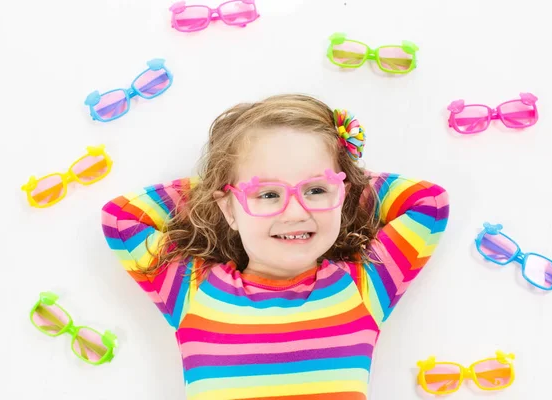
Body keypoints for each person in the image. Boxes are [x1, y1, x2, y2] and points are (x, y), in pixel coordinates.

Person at [101, 94, 449, 399]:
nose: (296, 211)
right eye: (267, 194)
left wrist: (347, 180)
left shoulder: (363, 285)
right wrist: (219, 187)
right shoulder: (191, 289)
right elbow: (121, 217)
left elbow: (427, 203)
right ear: (228, 208)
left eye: (316, 190)